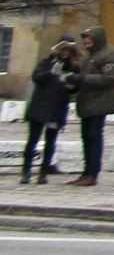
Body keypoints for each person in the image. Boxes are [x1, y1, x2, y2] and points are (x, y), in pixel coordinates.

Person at [21, 39, 79, 184]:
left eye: (68, 51)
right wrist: (51, 73)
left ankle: (43, 172)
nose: (65, 53)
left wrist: (72, 82)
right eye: (63, 50)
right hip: (39, 106)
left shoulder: (73, 66)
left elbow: (76, 87)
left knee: (50, 142)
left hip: (57, 108)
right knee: (33, 140)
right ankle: (26, 172)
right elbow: (36, 77)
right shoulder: (46, 62)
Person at [68, 25, 114, 187]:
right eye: (85, 40)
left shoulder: (110, 53)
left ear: (97, 39)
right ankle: (86, 172)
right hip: (87, 103)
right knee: (86, 138)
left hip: (99, 102)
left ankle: (92, 173)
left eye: (89, 40)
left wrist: (83, 78)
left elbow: (109, 78)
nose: (86, 42)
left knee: (94, 136)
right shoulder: (90, 56)